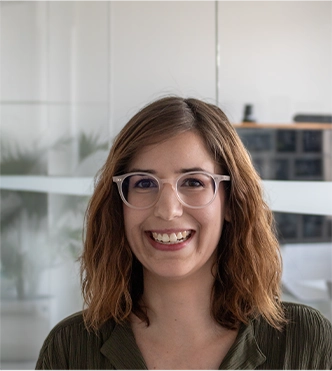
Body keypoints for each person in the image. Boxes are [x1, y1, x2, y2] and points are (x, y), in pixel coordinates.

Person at [35, 96, 332, 371]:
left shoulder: (306, 341)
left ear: (230, 202)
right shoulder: (69, 349)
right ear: (118, 207)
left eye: (193, 182)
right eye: (144, 183)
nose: (168, 210)